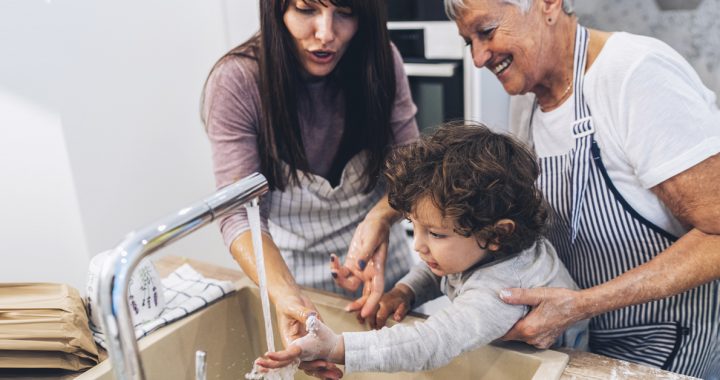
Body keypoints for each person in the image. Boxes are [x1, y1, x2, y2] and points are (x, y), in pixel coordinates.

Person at [438, 0, 720, 377]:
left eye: (486, 32)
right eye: (467, 41)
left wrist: (583, 304)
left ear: (548, 4)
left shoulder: (634, 73)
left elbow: (717, 232)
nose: (477, 57)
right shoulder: (527, 101)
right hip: (576, 340)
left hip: (669, 341)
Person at [254, 122, 588, 377]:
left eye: (436, 234)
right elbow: (443, 267)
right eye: (416, 226)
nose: (419, 245)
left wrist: (339, 346)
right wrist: (406, 291)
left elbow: (431, 343)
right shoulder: (483, 245)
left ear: (497, 234)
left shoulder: (502, 292)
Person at [201, 0, 418, 361]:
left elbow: (412, 173)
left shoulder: (381, 61)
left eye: (345, 12)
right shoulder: (237, 81)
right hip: (294, 280)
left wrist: (381, 217)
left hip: (385, 276)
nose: (326, 34)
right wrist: (288, 297)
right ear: (276, 11)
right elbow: (238, 215)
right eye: (306, 9)